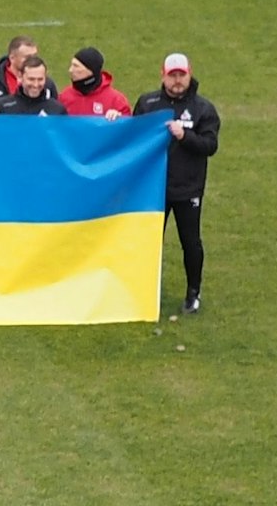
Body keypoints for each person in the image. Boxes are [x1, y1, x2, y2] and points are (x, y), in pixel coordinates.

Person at [133, 53, 220, 314]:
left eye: (182, 75)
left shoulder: (203, 109)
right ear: (163, 75)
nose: (177, 80)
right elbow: (133, 137)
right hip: (153, 187)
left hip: (187, 188)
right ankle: (145, 290)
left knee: (190, 242)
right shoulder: (147, 103)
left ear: (190, 74)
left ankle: (193, 292)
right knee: (148, 241)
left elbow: (210, 145)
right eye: (172, 75)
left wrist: (185, 136)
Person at [0, 35, 58, 112]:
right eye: (27, 57)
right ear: (12, 58)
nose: (32, 60)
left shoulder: (46, 83)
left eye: (35, 56)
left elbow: (55, 113)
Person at [60, 47, 131, 119]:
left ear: (90, 70)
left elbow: (128, 124)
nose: (70, 70)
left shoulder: (116, 101)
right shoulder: (64, 97)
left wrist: (119, 118)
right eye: (72, 65)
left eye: (76, 66)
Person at [0, 56, 66, 117]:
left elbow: (64, 134)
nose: (36, 84)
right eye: (31, 79)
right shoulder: (3, 106)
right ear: (20, 77)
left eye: (40, 79)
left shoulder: (57, 109)